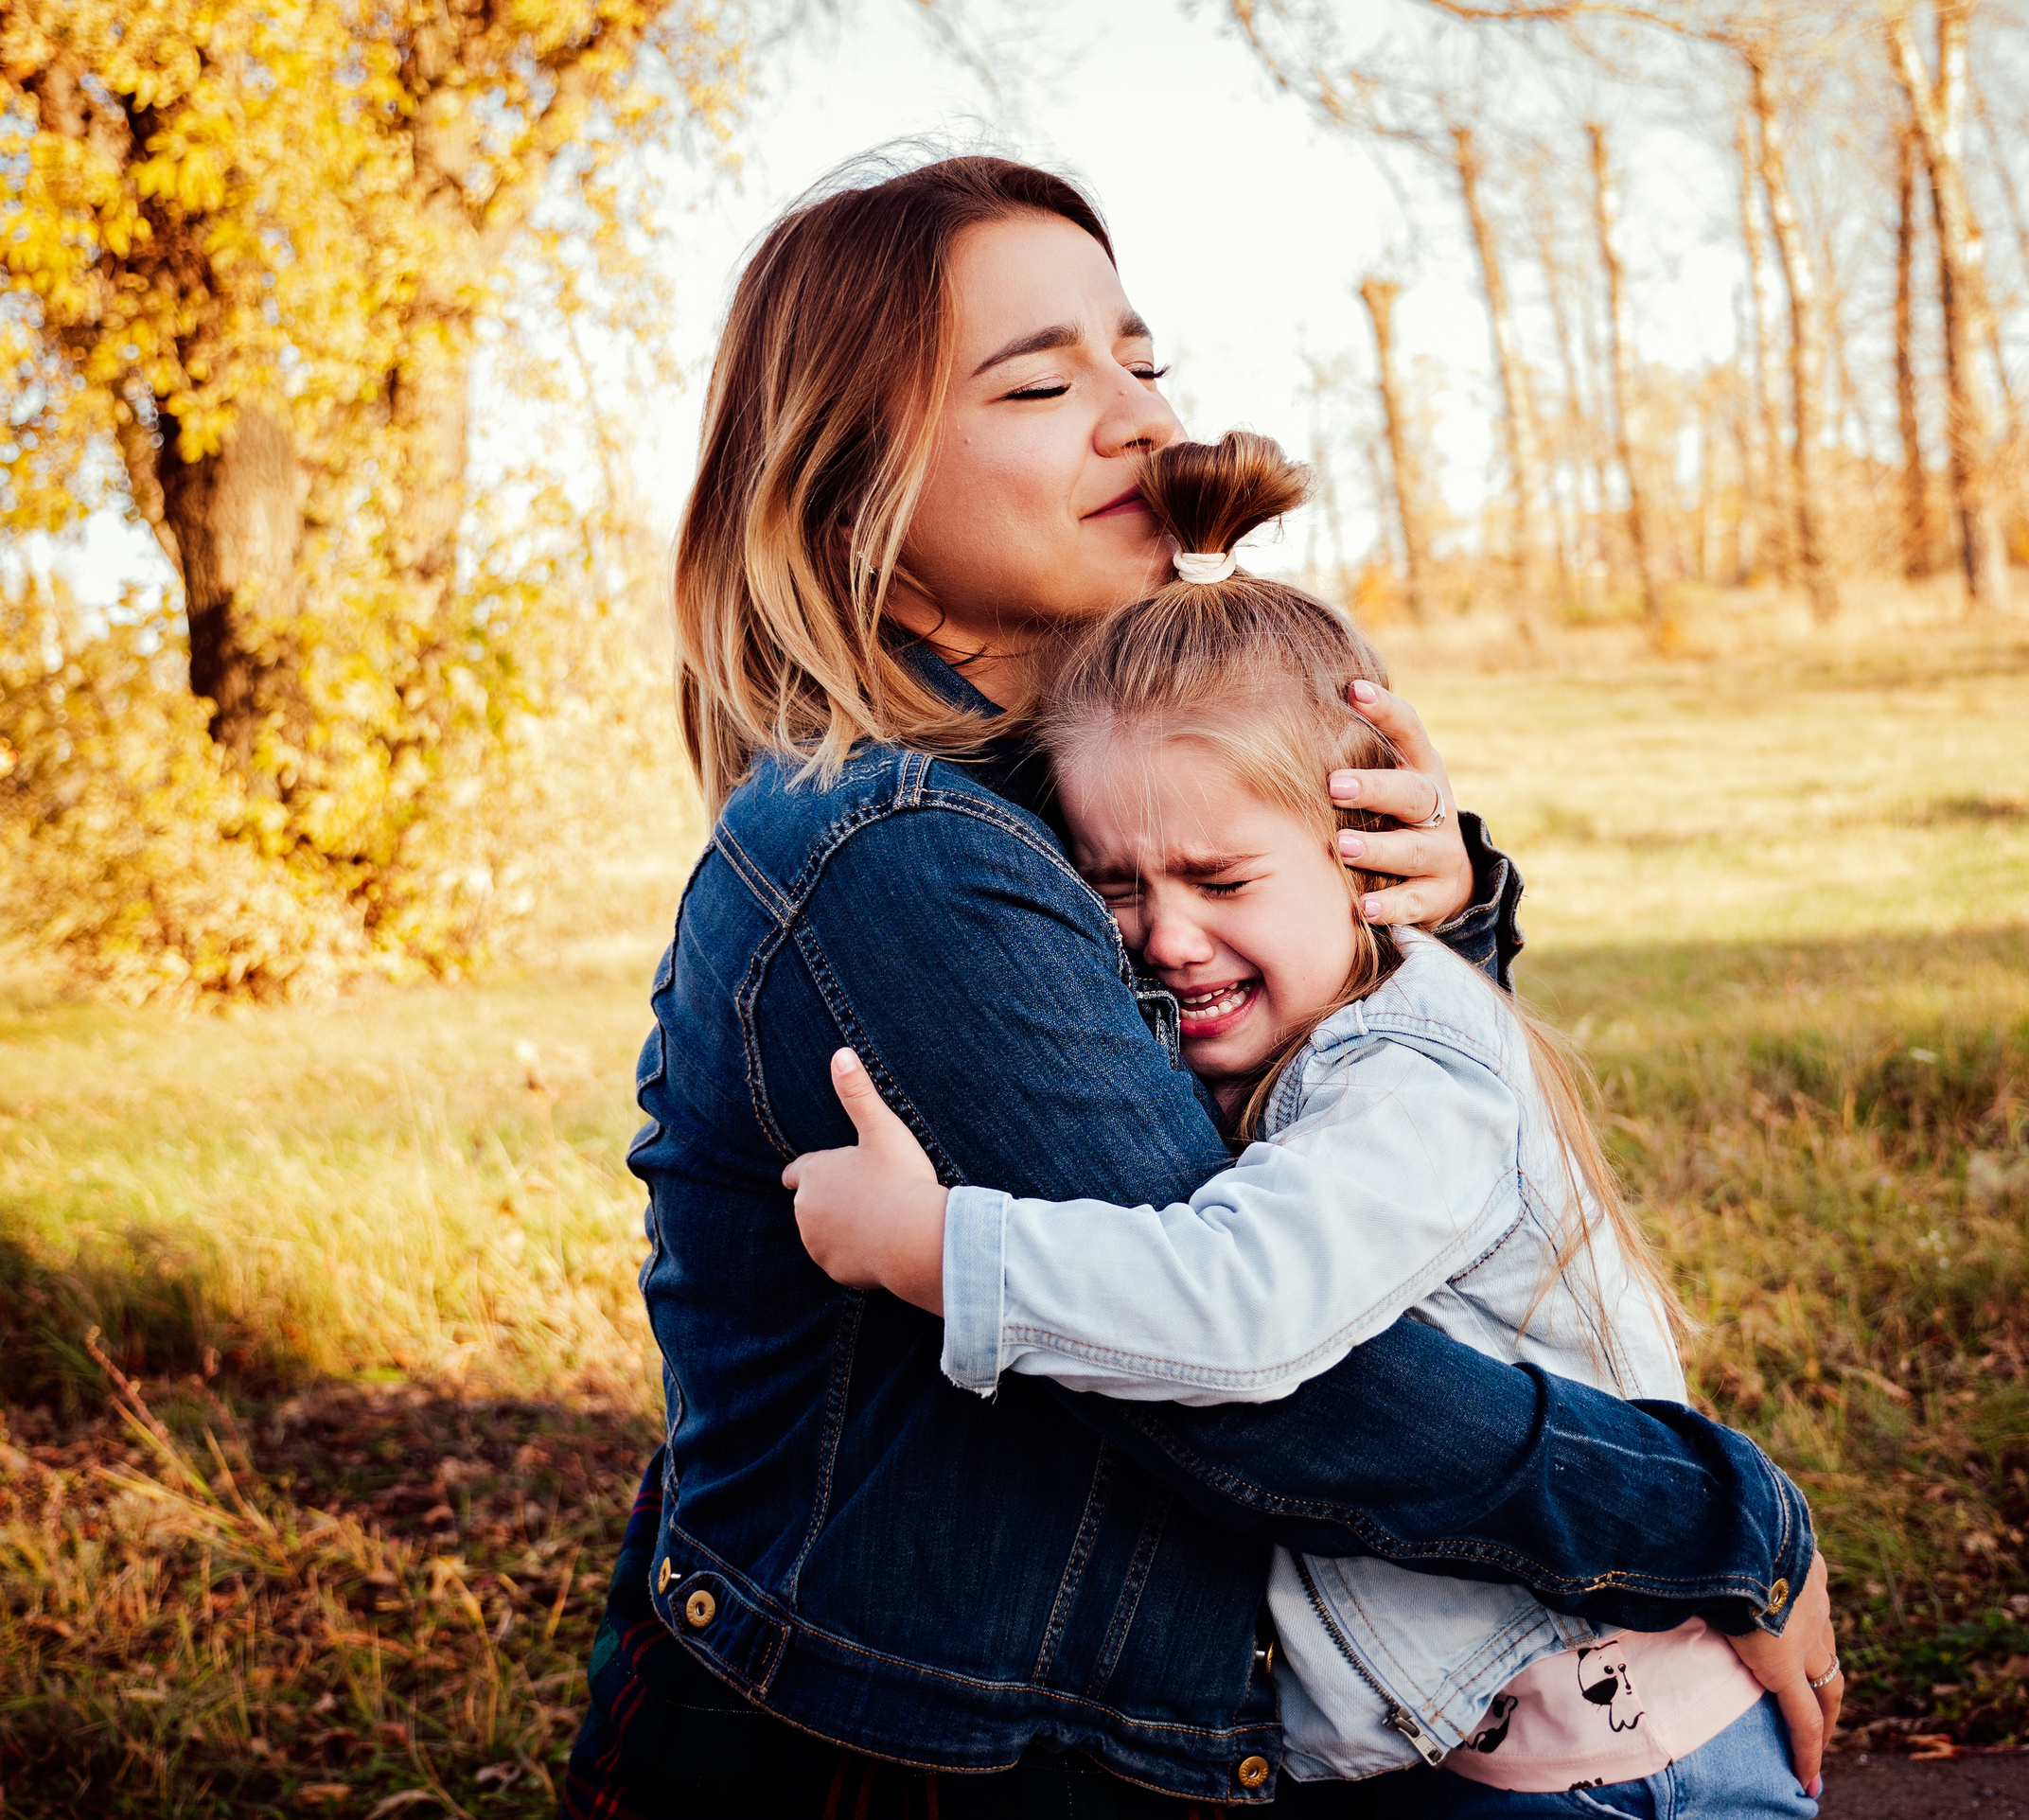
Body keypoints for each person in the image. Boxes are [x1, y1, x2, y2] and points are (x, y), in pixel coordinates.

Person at [564, 151, 1835, 1817]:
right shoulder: (902, 853)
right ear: (845, 479)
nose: (1139, 419)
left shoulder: (1074, 800)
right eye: (1042, 377)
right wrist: (1727, 1523)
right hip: (913, 1761)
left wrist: (1419, 936)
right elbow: (1272, 1381)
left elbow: (1373, 1185)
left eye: (1141, 361)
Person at [785, 432, 1839, 1817]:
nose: (1165, 934)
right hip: (1485, 1761)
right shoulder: (1273, 1046)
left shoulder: (1411, 1076)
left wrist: (939, 1253)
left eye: (1218, 875)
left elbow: (1242, 1309)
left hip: (1620, 1775)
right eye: (1112, 886)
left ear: (1366, 861)